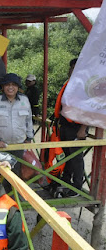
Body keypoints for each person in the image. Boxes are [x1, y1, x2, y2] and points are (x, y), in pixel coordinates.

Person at [0, 73, 34, 174]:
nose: (10, 87)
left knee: (16, 173)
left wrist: (29, 138)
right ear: (3, 87)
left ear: (18, 87)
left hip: (19, 145)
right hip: (0, 146)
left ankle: (13, 191)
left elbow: (29, 120)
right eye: (7, 84)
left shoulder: (24, 100)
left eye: (14, 84)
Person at [55, 58, 87, 197]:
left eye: (76, 68)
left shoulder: (85, 87)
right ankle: (66, 181)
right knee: (67, 155)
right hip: (65, 125)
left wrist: (83, 129)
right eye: (72, 67)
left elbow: (89, 110)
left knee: (76, 157)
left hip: (76, 128)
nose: (73, 70)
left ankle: (77, 187)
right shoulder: (69, 84)